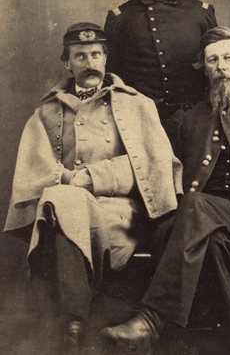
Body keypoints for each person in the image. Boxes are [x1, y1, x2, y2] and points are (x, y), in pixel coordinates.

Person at [100, 26, 230, 355]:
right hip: (195, 224)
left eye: (228, 57)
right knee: (209, 236)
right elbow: (158, 174)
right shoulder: (184, 120)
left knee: (197, 205)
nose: (221, 66)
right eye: (212, 60)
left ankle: (152, 320)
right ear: (204, 68)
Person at [4, 23, 182, 355]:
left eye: (96, 54)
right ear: (67, 62)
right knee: (61, 199)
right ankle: (73, 325)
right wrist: (72, 186)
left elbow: (152, 166)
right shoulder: (46, 112)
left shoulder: (136, 104)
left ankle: (72, 322)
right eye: (80, 56)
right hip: (69, 209)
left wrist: (90, 177)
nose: (90, 62)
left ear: (106, 58)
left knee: (62, 198)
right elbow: (33, 172)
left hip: (122, 214)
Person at [104, 0, 218, 123]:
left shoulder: (202, 13)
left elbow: (215, 70)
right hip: (141, 122)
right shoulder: (119, 19)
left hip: (195, 122)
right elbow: (113, 80)